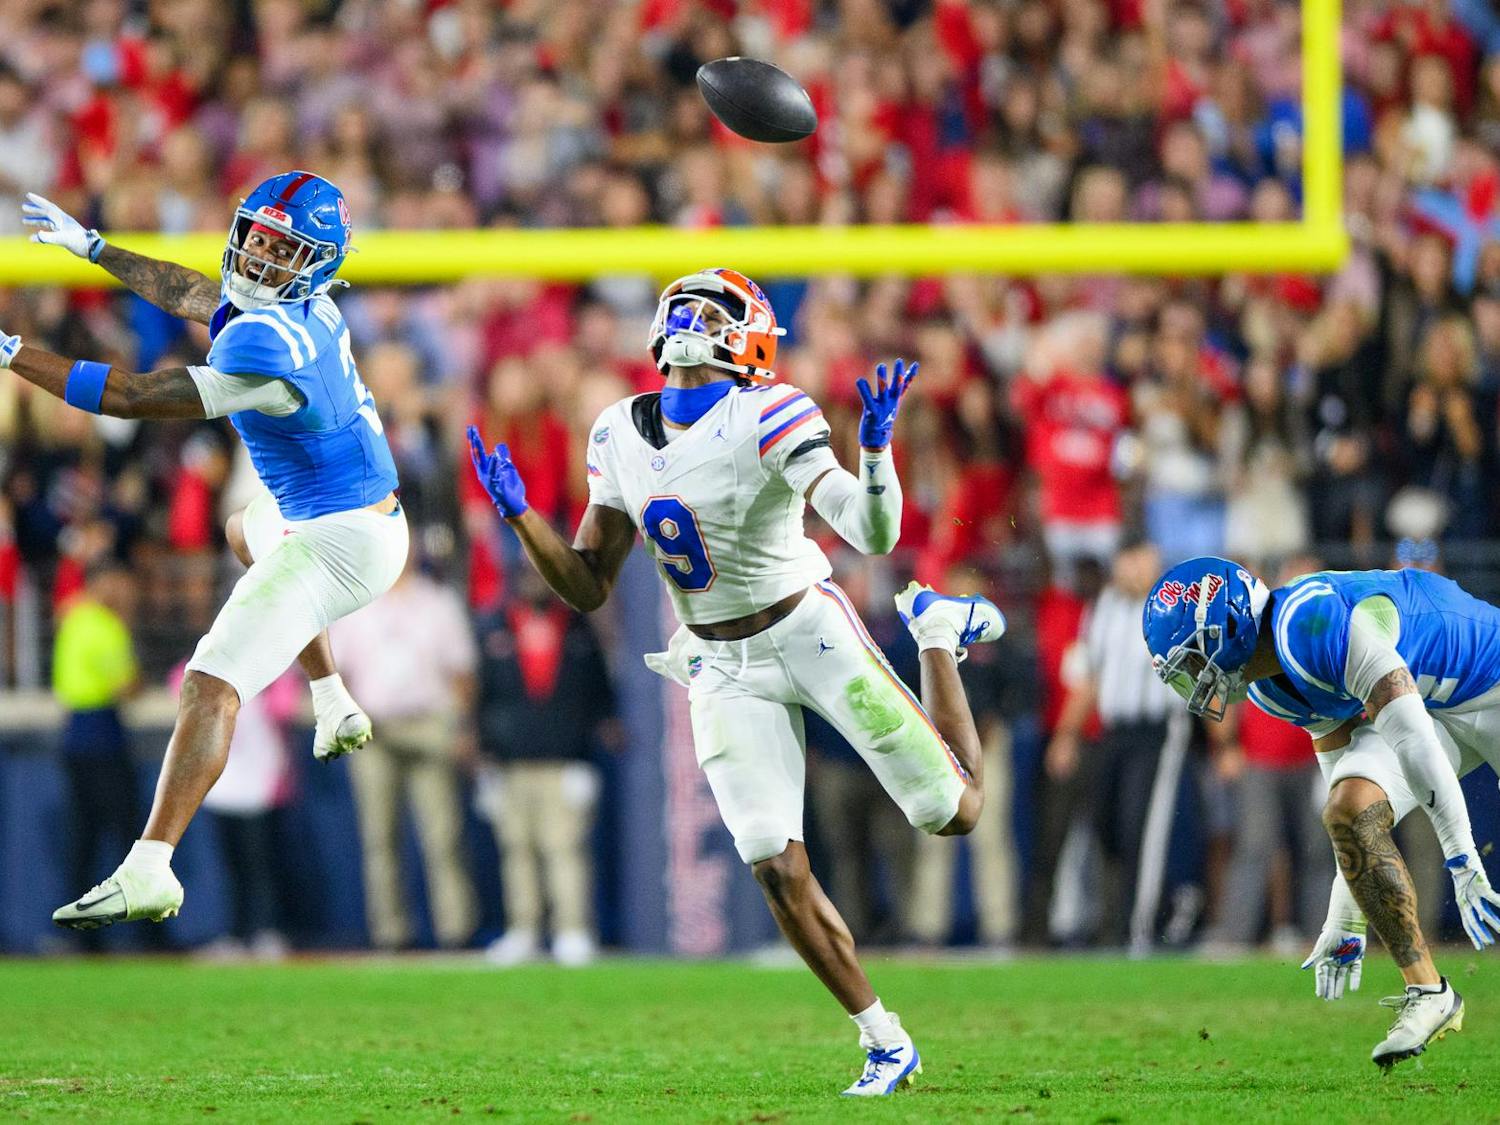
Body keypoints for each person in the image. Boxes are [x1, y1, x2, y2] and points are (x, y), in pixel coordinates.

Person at [469, 268, 1004, 1096]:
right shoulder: (614, 429)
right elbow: (586, 584)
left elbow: (871, 531)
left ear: (748, 335)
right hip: (720, 660)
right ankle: (885, 1039)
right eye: (686, 304)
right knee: (773, 865)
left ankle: (937, 636)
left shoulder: (774, 409)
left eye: (713, 309)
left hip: (807, 629)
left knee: (954, 813)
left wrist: (872, 450)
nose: (693, 316)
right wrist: (521, 516)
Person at [8, 173, 408, 929]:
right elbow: (198, 296)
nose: (258, 254)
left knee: (208, 684)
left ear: (317, 261)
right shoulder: (307, 307)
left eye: (281, 248)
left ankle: (150, 865)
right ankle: (331, 698)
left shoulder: (268, 348)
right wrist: (95, 249)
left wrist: (13, 353)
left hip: (341, 542)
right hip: (353, 519)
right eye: (256, 234)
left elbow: (128, 396)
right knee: (240, 531)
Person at [1143, 557, 1500, 1069]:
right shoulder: (1270, 688)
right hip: (1428, 707)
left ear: (1229, 627)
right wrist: (1347, 914)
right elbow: (1350, 800)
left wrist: (1461, 856)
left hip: (1486, 678)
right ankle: (1429, 992)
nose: (1197, 679)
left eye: (1195, 659)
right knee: (1347, 807)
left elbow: (1413, 736)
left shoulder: (1311, 623)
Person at [1046, 541, 1191, 952]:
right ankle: (1118, 919)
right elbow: (1089, 677)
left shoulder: (1175, 608)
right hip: (1113, 733)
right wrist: (1066, 735)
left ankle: (1139, 930)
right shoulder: (1106, 605)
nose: (1132, 574)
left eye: (1140, 565)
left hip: (1158, 730)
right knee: (1106, 826)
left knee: (1141, 828)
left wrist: (1224, 740)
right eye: (1127, 565)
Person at [331, 558, 479, 951]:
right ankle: (390, 934)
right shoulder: (355, 603)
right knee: (380, 838)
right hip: (373, 728)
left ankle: (455, 931)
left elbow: (462, 672)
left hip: (428, 723)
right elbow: (335, 670)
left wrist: (462, 726)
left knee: (443, 834)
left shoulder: (437, 602)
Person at [475, 567, 616, 967]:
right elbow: (483, 696)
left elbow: (599, 695)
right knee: (516, 849)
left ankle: (572, 930)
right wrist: (486, 755)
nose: (533, 582)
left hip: (563, 759)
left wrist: (586, 759)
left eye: (542, 576)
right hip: (511, 761)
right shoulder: (497, 628)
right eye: (527, 575)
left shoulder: (576, 629)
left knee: (564, 849)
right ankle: (524, 930)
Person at [51, 564, 142, 949]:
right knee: (130, 838)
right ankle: (149, 935)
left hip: (73, 735)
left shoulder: (73, 620)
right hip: (103, 733)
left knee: (83, 840)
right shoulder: (106, 626)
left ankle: (79, 936)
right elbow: (125, 685)